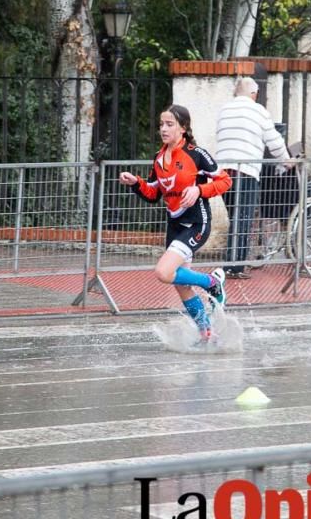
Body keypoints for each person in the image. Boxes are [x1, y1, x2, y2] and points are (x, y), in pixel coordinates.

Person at [119, 104, 231, 345]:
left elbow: (225, 181)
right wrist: (135, 183)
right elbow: (152, 194)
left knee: (163, 272)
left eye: (169, 124)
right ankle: (206, 331)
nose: (163, 129)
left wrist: (199, 189)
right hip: (175, 225)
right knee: (181, 284)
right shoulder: (159, 159)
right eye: (161, 124)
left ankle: (212, 283)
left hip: (196, 223)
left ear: (183, 128)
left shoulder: (196, 154)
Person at [215, 77, 291, 279]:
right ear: (254, 94)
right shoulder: (259, 111)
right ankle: (235, 267)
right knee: (244, 219)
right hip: (245, 171)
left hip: (222, 173)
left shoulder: (224, 110)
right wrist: (287, 161)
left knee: (235, 218)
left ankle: (232, 264)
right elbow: (275, 142)